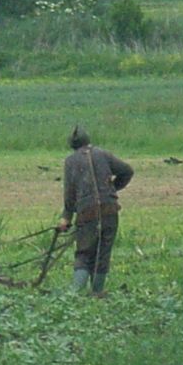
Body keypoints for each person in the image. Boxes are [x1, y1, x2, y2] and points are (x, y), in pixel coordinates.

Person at [56, 125, 134, 295]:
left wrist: (66, 217)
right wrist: (112, 188)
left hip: (87, 214)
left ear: (72, 145)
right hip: (110, 210)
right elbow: (127, 171)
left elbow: (70, 194)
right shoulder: (103, 154)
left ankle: (74, 293)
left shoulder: (70, 161)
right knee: (102, 253)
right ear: (88, 140)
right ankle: (97, 292)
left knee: (84, 253)